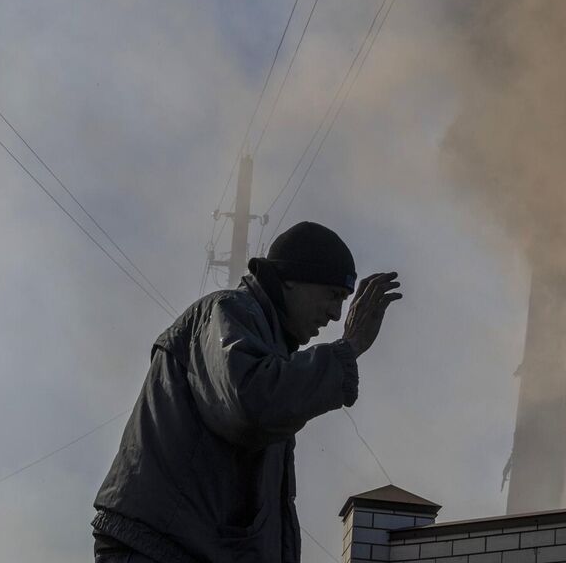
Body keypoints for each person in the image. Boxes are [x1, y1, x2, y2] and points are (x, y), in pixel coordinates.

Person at [92, 220, 403, 562]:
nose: (335, 314)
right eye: (332, 295)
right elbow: (252, 403)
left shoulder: (269, 349)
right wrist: (350, 346)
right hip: (159, 549)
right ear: (291, 279)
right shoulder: (228, 312)